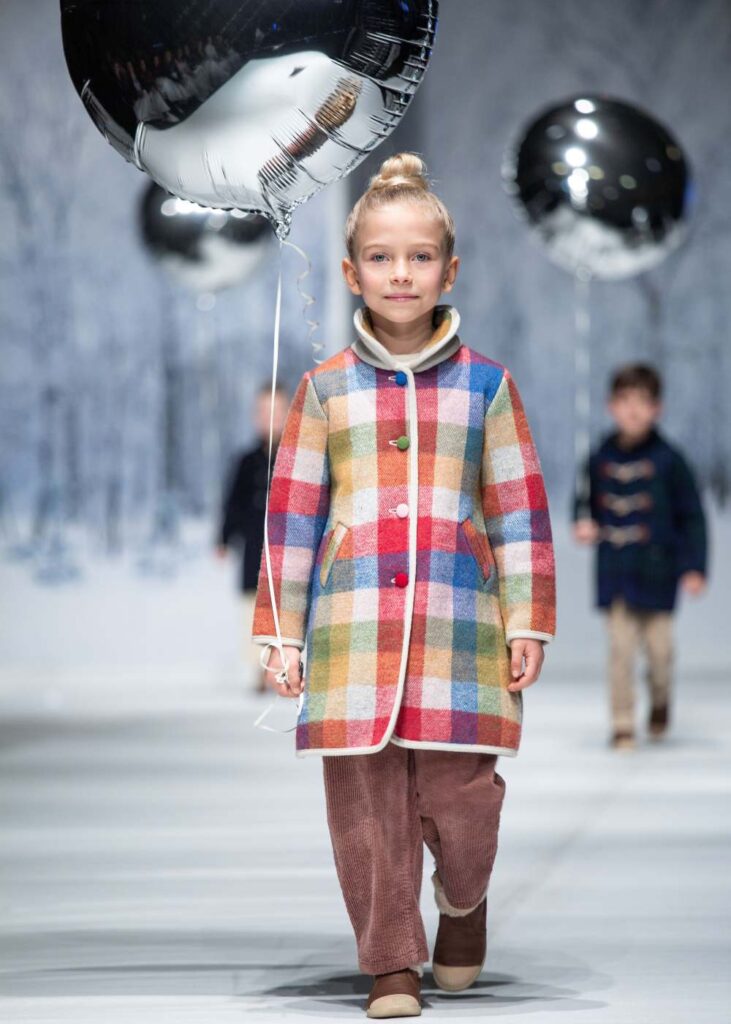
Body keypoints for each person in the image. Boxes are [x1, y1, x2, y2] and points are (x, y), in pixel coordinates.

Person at [251, 153, 556, 1018]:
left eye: (419, 257)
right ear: (351, 272)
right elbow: (293, 516)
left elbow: (518, 508)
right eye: (381, 257)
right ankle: (390, 960)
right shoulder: (323, 391)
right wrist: (279, 631)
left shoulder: (487, 386)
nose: (400, 273)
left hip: (460, 630)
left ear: (449, 270)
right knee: (364, 807)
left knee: (463, 801)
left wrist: (526, 618)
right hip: (352, 636)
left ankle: (463, 900)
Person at [573, 363, 707, 751]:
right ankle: (623, 722)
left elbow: (692, 516)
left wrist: (694, 566)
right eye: (624, 401)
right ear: (611, 406)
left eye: (642, 402)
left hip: (660, 573)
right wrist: (584, 523)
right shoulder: (598, 458)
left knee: (662, 653)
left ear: (656, 409)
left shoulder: (669, 460)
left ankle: (661, 701)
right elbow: (584, 502)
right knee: (620, 650)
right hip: (617, 571)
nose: (633, 411)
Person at [217, 380, 290, 692]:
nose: (270, 418)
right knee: (253, 610)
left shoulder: (296, 455)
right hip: (253, 554)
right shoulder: (246, 461)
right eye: (264, 411)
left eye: (277, 411)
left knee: (286, 608)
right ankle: (260, 670)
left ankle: (284, 666)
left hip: (288, 552)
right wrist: (223, 538)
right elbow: (232, 502)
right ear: (254, 416)